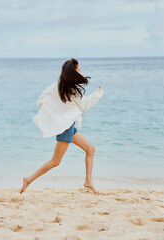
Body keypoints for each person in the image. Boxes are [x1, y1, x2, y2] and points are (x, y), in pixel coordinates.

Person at [20, 58, 104, 195]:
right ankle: (28, 179)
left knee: (90, 149)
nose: (81, 71)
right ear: (73, 72)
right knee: (55, 161)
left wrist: (55, 113)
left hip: (68, 124)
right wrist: (98, 94)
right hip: (66, 126)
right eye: (78, 69)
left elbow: (42, 99)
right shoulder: (71, 91)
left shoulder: (57, 85)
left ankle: (88, 181)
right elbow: (85, 107)